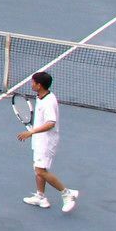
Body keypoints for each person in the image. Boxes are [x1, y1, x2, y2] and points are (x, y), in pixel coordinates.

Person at [17, 71, 79, 212]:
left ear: (39, 85)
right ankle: (41, 197)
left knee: (41, 170)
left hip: (46, 141)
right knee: (38, 168)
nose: (31, 84)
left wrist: (31, 132)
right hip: (40, 138)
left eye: (33, 82)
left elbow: (51, 123)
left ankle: (67, 194)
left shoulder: (48, 102)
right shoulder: (41, 96)